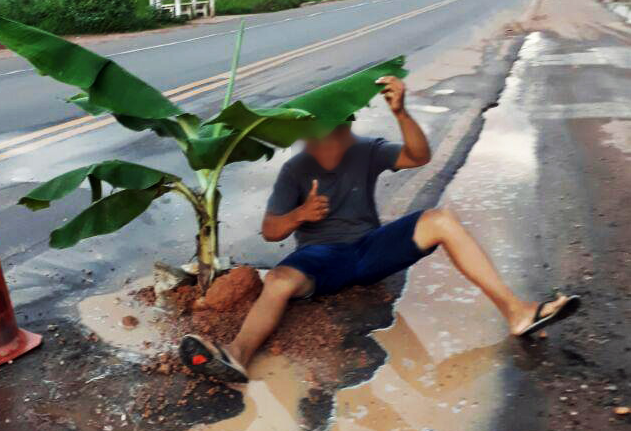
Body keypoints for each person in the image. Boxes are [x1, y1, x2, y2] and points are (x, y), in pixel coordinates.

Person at [180, 75, 580, 384]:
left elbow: (418, 156)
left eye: (342, 126)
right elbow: (270, 232)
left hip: (371, 248)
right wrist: (300, 214)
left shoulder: (366, 152)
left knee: (440, 220)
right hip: (320, 259)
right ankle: (237, 355)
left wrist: (401, 112)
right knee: (281, 278)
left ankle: (518, 312)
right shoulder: (295, 171)